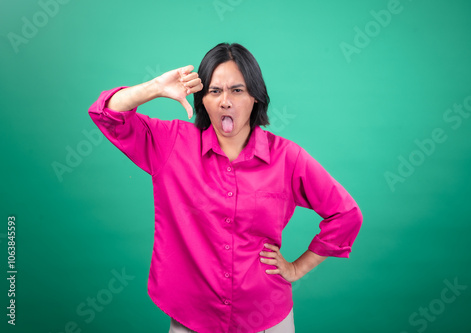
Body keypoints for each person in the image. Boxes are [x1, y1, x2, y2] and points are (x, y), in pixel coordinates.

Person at [88, 43, 363, 333]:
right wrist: (155, 87)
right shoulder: (172, 144)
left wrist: (297, 268)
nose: (225, 102)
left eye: (237, 90)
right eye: (214, 91)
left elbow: (346, 215)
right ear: (202, 99)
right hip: (191, 320)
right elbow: (107, 114)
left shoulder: (287, 158)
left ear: (256, 96)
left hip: (266, 319)